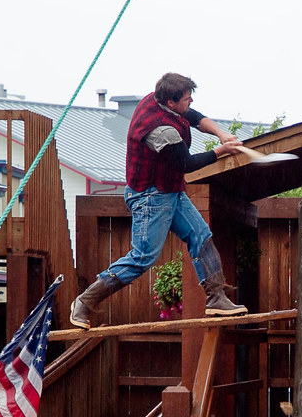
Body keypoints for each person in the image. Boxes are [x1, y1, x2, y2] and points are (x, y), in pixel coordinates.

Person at [70, 72, 246, 329]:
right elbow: (186, 164)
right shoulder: (160, 130)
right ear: (171, 103)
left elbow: (193, 116)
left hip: (170, 190)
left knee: (201, 235)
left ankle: (217, 298)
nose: (191, 102)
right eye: (187, 99)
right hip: (150, 196)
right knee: (143, 256)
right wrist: (220, 152)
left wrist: (221, 133)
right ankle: (85, 302)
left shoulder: (159, 100)